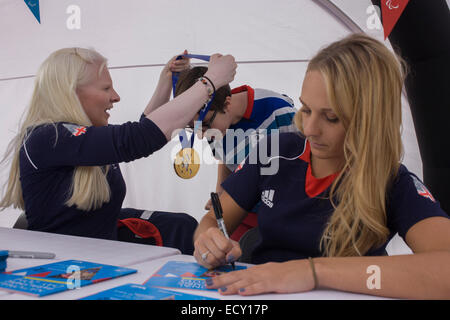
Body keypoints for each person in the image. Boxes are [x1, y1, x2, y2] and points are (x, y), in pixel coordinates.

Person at [192, 34, 450, 299]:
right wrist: (207, 240)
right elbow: (213, 220)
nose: (310, 129)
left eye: (331, 117)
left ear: (369, 120)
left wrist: (312, 272)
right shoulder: (275, 151)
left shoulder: (392, 182)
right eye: (305, 109)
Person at [0, 47, 236, 255]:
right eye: (106, 88)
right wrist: (210, 82)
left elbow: (142, 131)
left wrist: (166, 82)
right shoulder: (47, 137)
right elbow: (137, 138)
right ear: (71, 92)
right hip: (65, 265)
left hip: (98, 253)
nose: (116, 96)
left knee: (181, 225)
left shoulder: (76, 140)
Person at [174, 66, 298, 240]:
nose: (201, 135)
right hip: (243, 213)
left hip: (283, 217)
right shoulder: (211, 124)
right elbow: (225, 158)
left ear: (227, 103)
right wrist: (221, 192)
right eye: (192, 128)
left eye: (206, 124)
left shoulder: (280, 113)